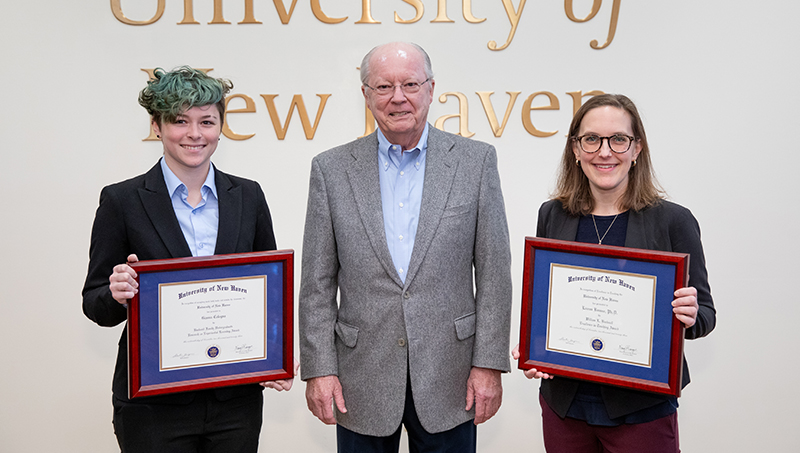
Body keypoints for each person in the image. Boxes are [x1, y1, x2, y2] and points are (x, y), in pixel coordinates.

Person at [299, 42, 513, 452]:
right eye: (383, 86)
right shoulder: (330, 169)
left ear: (431, 89)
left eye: (410, 84)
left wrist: (488, 364)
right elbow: (317, 284)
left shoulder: (476, 162)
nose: (398, 97)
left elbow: (494, 274)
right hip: (360, 378)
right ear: (366, 95)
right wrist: (319, 369)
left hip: (452, 377)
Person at [82, 66, 295, 452]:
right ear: (157, 126)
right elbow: (95, 304)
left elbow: (267, 291)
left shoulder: (248, 196)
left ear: (221, 126)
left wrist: (274, 355)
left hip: (236, 403)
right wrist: (116, 292)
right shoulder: (122, 201)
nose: (195, 134)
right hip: (152, 405)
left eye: (207, 121)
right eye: (180, 121)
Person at [512, 93, 716, 452]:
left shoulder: (673, 221)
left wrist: (689, 314)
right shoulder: (552, 215)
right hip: (565, 407)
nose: (604, 152)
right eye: (591, 139)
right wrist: (536, 351)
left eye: (618, 139)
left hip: (640, 410)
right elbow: (548, 301)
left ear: (637, 149)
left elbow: (705, 316)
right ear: (575, 149)